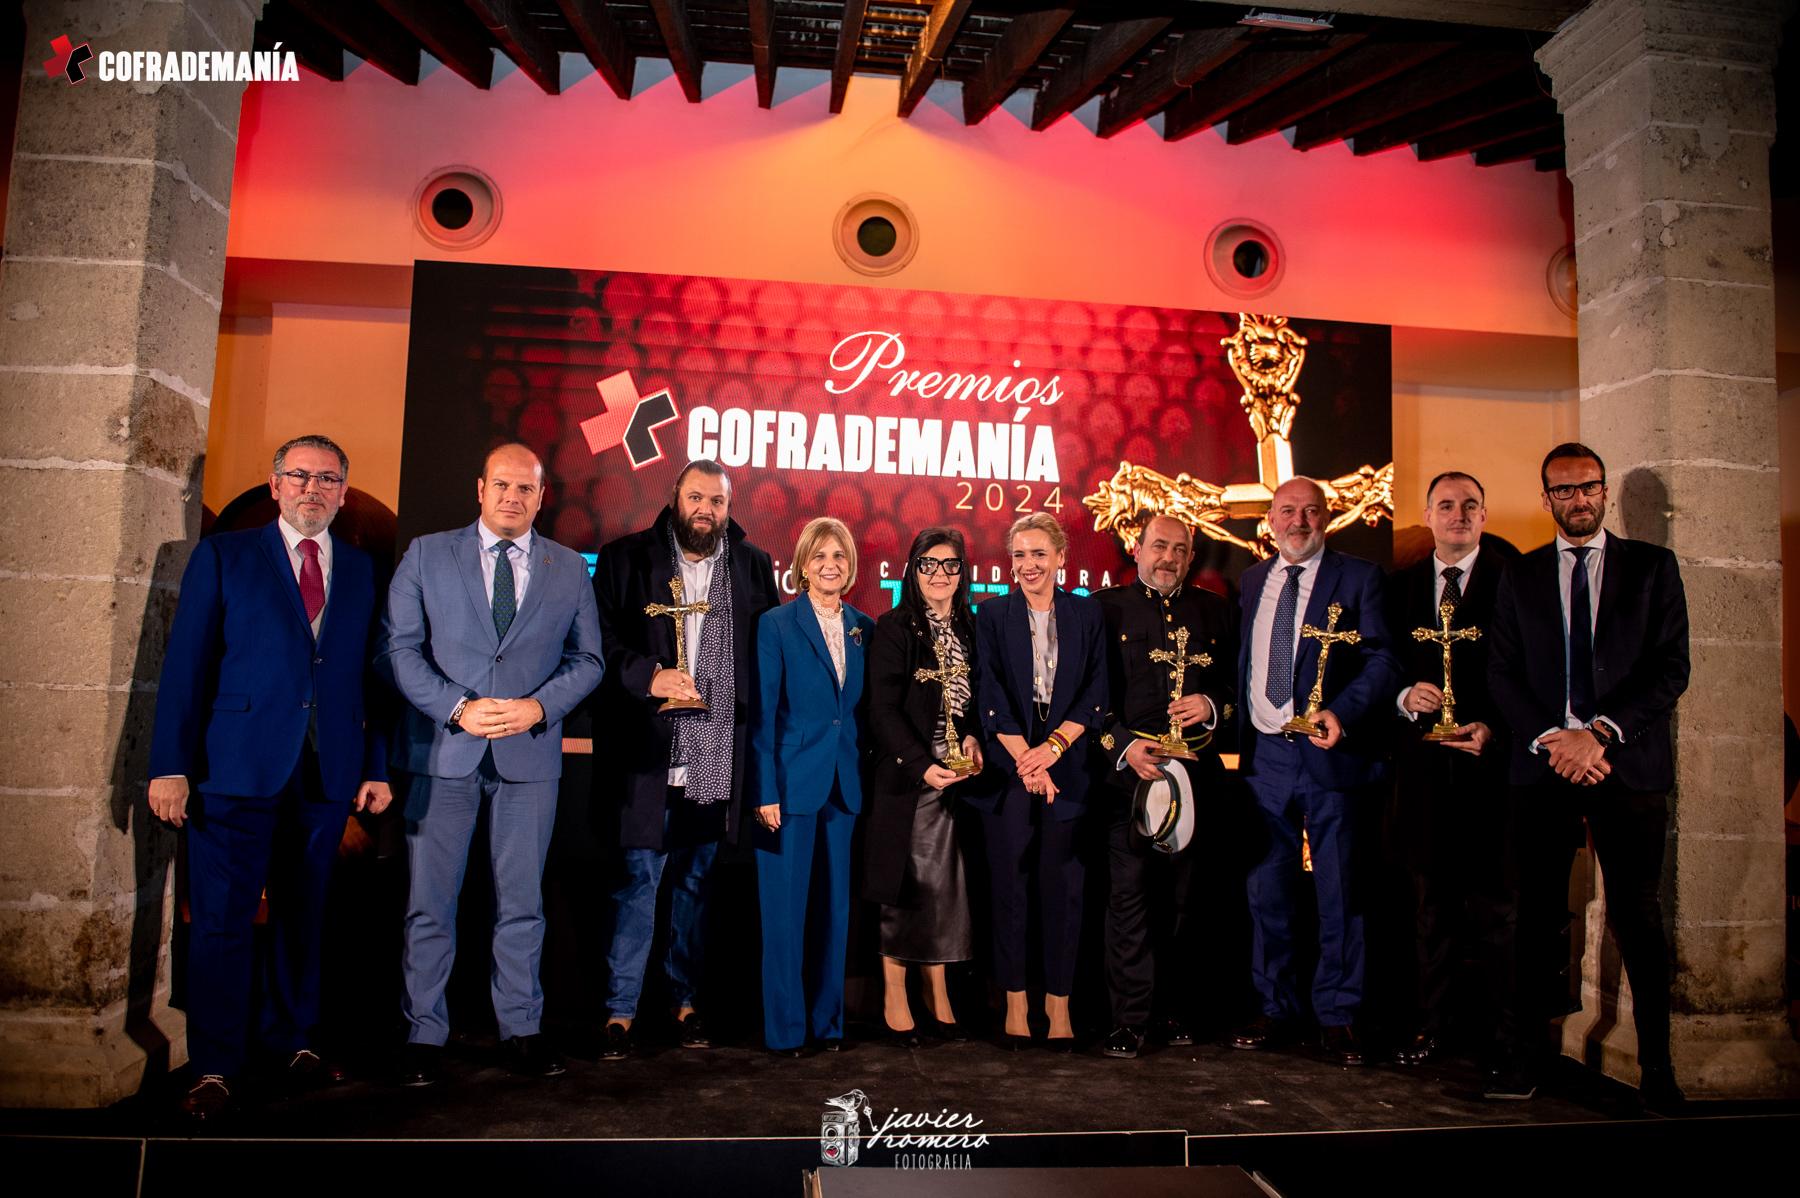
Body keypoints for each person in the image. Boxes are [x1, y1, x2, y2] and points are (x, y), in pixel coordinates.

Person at [148, 434, 390, 1120]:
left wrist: (372, 767)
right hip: (233, 770)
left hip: (325, 773)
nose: (314, 489)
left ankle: (291, 1043)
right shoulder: (225, 556)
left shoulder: (365, 570)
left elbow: (370, 676)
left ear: (344, 491)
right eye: (301, 476)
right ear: (276, 483)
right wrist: (169, 764)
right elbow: (186, 668)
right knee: (222, 923)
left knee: (303, 916)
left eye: (328, 479)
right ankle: (215, 1066)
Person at [378, 443, 604, 1086]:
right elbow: (397, 650)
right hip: (444, 754)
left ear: (541, 497)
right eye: (501, 485)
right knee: (429, 903)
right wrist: (456, 708)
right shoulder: (426, 553)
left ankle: (522, 1029)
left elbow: (588, 661)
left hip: (528, 759)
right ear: (480, 488)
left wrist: (537, 708)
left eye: (526, 489)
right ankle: (424, 1033)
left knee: (523, 905)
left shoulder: (567, 568)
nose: (513, 497)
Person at [1487, 442, 1689, 1110]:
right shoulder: (1521, 575)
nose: (1579, 500)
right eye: (1564, 490)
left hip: (1624, 765)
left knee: (1638, 914)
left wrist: (1597, 734)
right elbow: (1503, 674)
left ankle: (1658, 1068)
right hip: (1542, 769)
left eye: (1589, 487)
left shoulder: (1653, 569)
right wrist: (1555, 740)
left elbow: (1670, 669)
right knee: (1532, 916)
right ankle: (1521, 1062)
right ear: (1545, 497)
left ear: (1605, 493)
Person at [590, 460, 778, 1057]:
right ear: (674, 498)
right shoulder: (626, 558)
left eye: (717, 502)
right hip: (648, 755)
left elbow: (766, 654)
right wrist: (650, 675)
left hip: (716, 755)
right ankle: (619, 1011)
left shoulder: (751, 565)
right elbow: (598, 640)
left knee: (696, 886)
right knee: (638, 883)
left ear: (729, 506)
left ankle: (684, 1002)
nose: (706, 510)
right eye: (696, 497)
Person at [1231, 476, 1399, 1066]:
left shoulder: (1359, 577)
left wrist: (1343, 713)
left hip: (1332, 753)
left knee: (1339, 889)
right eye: (1286, 511)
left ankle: (1339, 1015)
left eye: (1310, 511)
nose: (1298, 521)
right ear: (1270, 521)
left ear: (1326, 518)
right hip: (1266, 758)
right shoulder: (1252, 581)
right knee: (1266, 892)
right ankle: (1276, 1007)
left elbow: (1383, 658)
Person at [1385, 471, 1520, 1066]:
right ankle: (1432, 1029)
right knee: (1430, 913)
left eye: (1470, 505)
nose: (1458, 514)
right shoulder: (1402, 588)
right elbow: (1380, 664)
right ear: (1429, 514)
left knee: (1497, 915)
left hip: (1491, 776)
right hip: (1424, 779)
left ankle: (1500, 1040)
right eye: (1446, 505)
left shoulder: (1514, 581)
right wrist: (1402, 695)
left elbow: (1529, 672)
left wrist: (1493, 724)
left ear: (1484, 516)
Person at [1094, 514, 1235, 1059]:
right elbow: (1088, 696)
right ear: (1136, 547)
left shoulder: (1215, 612)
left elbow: (1236, 693)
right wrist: (1122, 745)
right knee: (1128, 902)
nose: (1168, 557)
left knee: (1186, 904)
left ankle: (1174, 1010)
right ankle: (1129, 1018)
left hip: (1197, 777)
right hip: (1127, 776)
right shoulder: (1104, 611)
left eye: (1179, 548)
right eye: (1158, 546)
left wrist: (1212, 707)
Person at [972, 513, 1108, 1049]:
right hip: (1009, 771)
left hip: (1067, 768)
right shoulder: (990, 615)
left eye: (1038, 554)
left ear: (1060, 559)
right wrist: (1026, 759)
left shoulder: (1086, 613)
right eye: (1020, 556)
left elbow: (1097, 692)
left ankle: (1059, 1007)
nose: (1028, 565)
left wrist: (1052, 751)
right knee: (1009, 892)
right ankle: (1014, 1006)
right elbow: (989, 694)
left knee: (1064, 893)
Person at [751, 517, 876, 1055]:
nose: (831, 565)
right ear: (802, 564)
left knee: (836, 913)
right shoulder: (777, 624)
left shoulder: (865, 626)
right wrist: (764, 788)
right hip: (789, 785)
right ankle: (786, 1030)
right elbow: (763, 714)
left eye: (840, 557)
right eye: (820, 556)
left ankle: (828, 1026)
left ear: (851, 567)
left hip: (844, 786)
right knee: (784, 915)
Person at [863, 527, 984, 1047]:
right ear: (912, 570)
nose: (940, 574)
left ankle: (938, 991)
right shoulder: (894, 627)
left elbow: (979, 703)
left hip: (959, 779)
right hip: (910, 776)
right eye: (929, 564)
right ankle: (895, 994)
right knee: (905, 886)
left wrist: (976, 738)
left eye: (951, 564)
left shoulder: (973, 629)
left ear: (964, 571)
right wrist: (920, 764)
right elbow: (882, 711)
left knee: (947, 890)